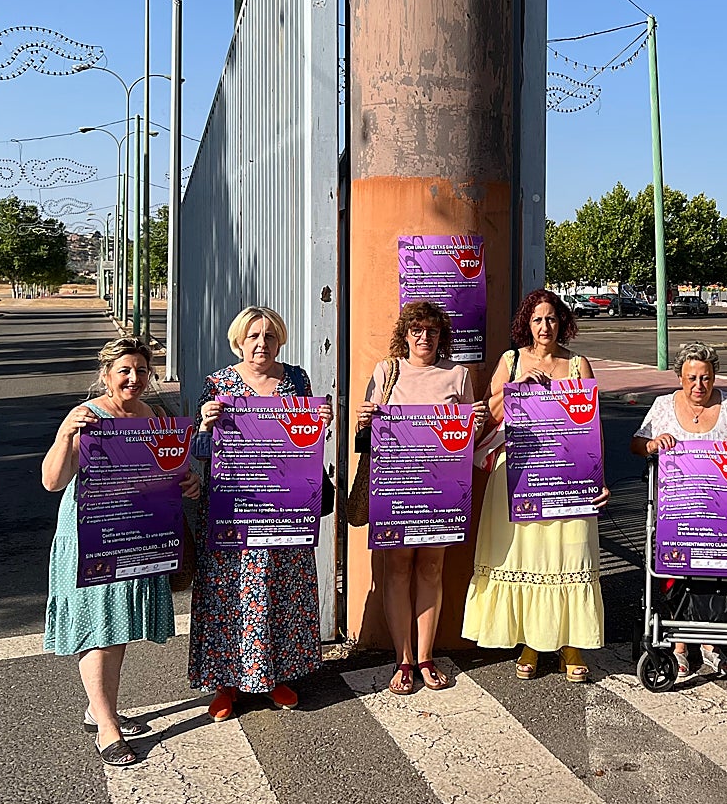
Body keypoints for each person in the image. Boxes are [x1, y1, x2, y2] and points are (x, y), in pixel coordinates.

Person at [42, 337, 200, 768]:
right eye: (124, 370)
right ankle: (106, 727)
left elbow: (175, 470)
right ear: (106, 374)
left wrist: (189, 483)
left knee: (119, 623)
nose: (134, 378)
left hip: (140, 535)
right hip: (93, 534)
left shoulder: (157, 416)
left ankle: (100, 708)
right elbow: (52, 481)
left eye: (141, 371)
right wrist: (64, 435)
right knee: (99, 627)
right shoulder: (87, 418)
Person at [462, 289, 609, 681]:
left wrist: (601, 479)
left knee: (569, 554)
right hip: (519, 474)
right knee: (526, 557)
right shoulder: (511, 361)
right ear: (526, 324)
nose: (545, 326)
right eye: (537, 319)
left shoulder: (578, 364)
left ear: (562, 322)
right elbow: (489, 415)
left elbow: (591, 427)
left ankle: (572, 644)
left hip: (569, 477)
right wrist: (517, 388)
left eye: (552, 318)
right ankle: (530, 641)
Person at [192, 306, 329, 721]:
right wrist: (203, 427)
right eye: (253, 337)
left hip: (285, 506)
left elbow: (307, 443)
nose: (261, 344)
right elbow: (199, 454)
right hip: (233, 509)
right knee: (230, 593)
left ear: (280, 339)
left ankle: (276, 676)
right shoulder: (218, 384)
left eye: (269, 336)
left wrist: (323, 421)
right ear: (239, 340)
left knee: (281, 589)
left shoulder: (296, 379)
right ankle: (225, 682)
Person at [356, 300, 488, 695]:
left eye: (431, 330)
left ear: (441, 335)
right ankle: (403, 660)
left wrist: (476, 424)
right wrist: (364, 419)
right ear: (405, 333)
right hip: (396, 488)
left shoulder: (459, 375)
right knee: (396, 570)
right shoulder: (386, 371)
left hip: (441, 491)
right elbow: (367, 434)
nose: (424, 337)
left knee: (431, 570)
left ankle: (426, 658)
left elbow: (470, 440)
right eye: (416, 330)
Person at [630, 340, 727, 678]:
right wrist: (653, 444)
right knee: (677, 572)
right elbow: (637, 443)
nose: (698, 385)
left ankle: (712, 644)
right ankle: (679, 647)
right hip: (678, 511)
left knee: (719, 572)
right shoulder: (662, 406)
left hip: (726, 513)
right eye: (691, 378)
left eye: (705, 378)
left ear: (715, 376)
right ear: (680, 378)